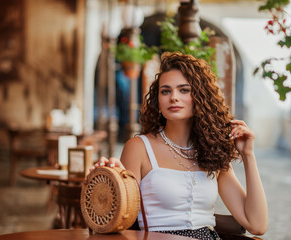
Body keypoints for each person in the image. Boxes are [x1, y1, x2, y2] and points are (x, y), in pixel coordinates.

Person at [91, 52, 268, 240]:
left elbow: (257, 225)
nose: (173, 97)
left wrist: (248, 155)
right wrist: (109, 180)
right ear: (158, 100)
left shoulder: (212, 154)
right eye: (165, 91)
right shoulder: (139, 148)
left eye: (184, 90)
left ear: (201, 97)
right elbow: (118, 215)